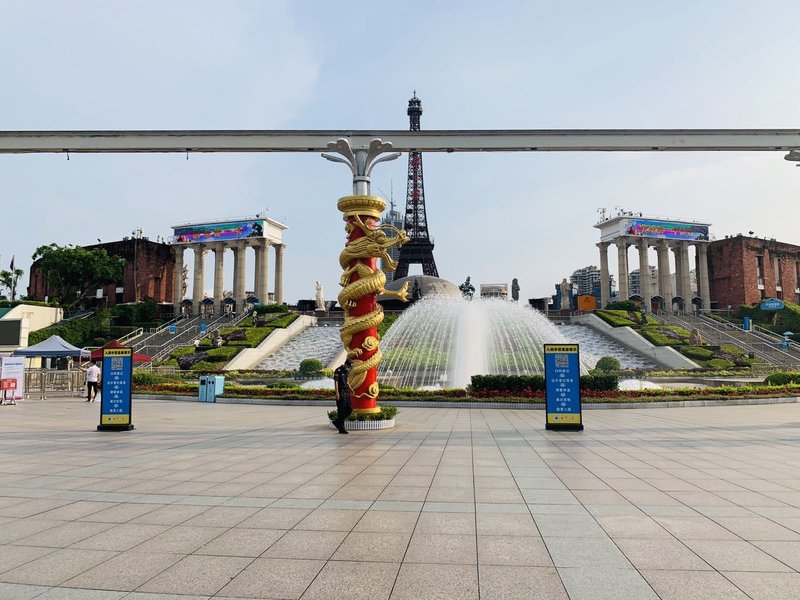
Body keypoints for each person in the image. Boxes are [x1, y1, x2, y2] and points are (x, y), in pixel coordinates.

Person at [332, 359, 353, 434]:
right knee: (341, 410)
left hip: (346, 391)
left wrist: (350, 388)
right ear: (345, 364)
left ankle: (337, 422)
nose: (349, 368)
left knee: (350, 409)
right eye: (349, 367)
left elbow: (347, 381)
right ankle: (341, 428)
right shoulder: (338, 370)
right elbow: (336, 381)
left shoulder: (346, 371)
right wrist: (337, 393)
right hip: (341, 392)